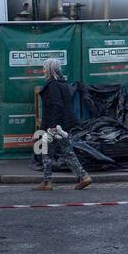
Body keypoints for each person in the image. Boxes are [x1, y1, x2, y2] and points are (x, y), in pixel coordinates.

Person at [34, 58, 92, 192]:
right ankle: (83, 176)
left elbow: (56, 105)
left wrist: (52, 127)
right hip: (63, 124)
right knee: (66, 152)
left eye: (44, 68)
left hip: (56, 126)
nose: (43, 71)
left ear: (49, 69)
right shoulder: (62, 83)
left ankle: (48, 182)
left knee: (47, 151)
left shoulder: (53, 84)